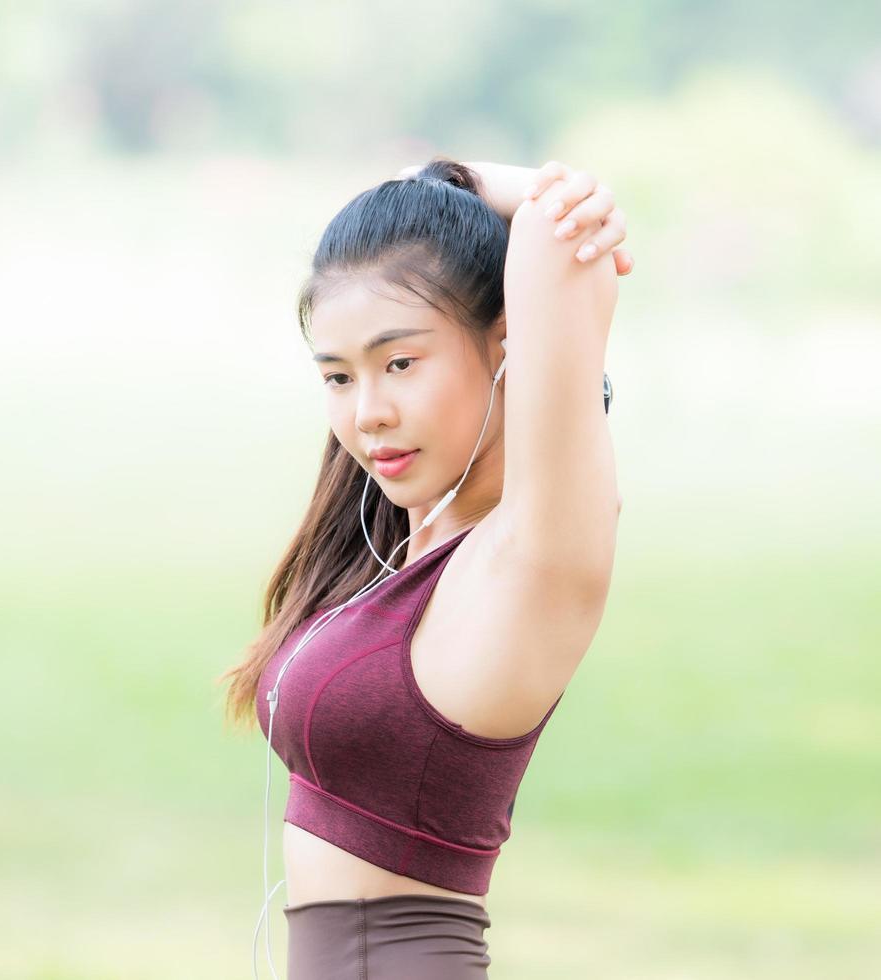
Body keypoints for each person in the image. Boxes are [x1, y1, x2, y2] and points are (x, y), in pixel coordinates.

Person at [217, 156, 627, 978]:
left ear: (507, 348)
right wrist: (426, 195)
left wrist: (460, 179)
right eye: (338, 376)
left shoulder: (530, 555)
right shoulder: (401, 543)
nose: (367, 412)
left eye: (399, 363)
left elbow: (558, 236)